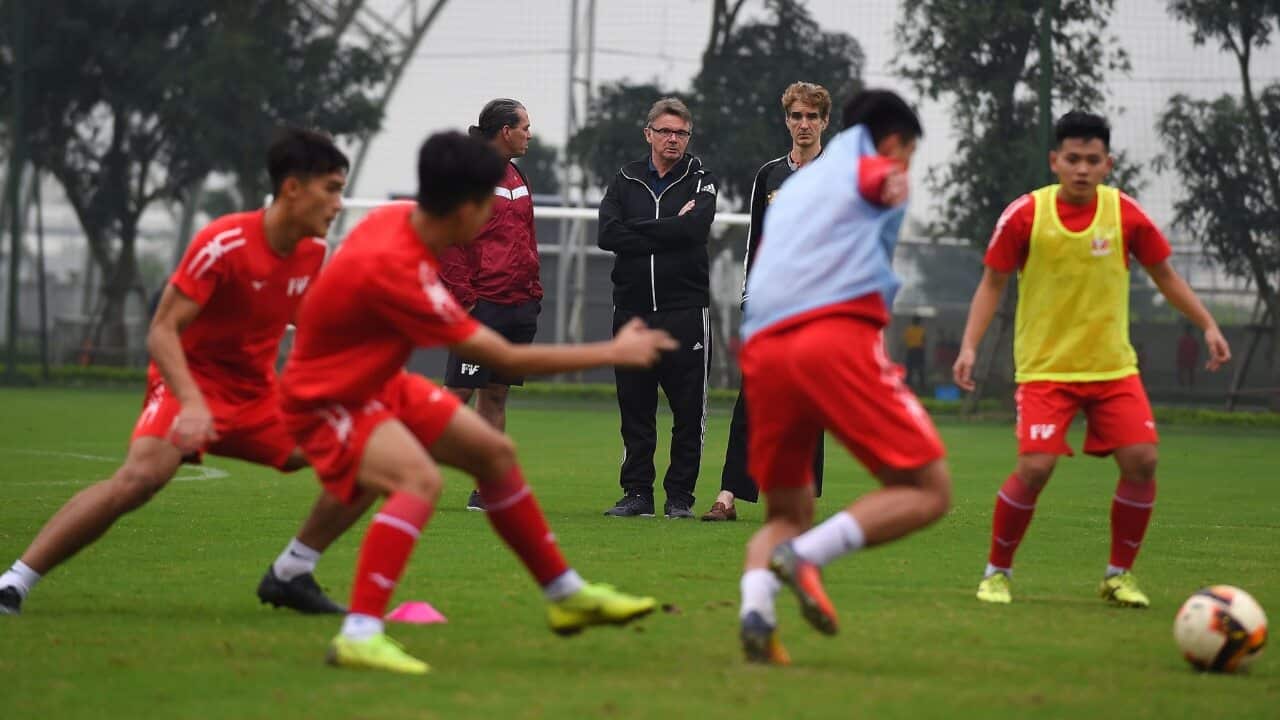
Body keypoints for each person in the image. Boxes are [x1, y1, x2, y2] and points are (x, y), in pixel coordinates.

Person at [279, 131, 675, 675]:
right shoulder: (396, 269)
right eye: (489, 203)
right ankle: (360, 633)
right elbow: (502, 358)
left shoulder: (400, 222)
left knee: (491, 453)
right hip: (328, 399)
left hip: (375, 385)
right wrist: (614, 350)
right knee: (417, 481)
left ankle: (564, 594)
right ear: (468, 208)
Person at [0, 129, 370, 617]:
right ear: (292, 189)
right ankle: (14, 583)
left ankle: (291, 573)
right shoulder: (225, 242)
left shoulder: (311, 252)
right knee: (141, 478)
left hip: (257, 398)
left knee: (370, 456)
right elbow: (162, 330)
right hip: (186, 385)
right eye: (332, 188)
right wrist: (193, 402)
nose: (338, 204)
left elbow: (312, 323)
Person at [953, 111, 1232, 608]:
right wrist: (969, 346)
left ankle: (1118, 576)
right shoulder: (1024, 215)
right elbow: (992, 282)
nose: (1082, 169)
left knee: (1143, 460)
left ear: (1108, 164)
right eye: (1073, 159)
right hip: (1046, 371)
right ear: (1055, 161)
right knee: (1035, 468)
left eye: (1092, 160)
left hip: (1112, 369)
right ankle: (996, 573)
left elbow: (1166, 275)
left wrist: (1208, 324)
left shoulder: (1125, 215)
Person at [735, 90, 951, 664]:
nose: (906, 165)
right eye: (907, 151)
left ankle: (756, 607)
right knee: (928, 489)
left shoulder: (797, 185)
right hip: (828, 339)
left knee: (784, 513)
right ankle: (807, 557)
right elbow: (877, 180)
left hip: (762, 351)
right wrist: (887, 181)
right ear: (893, 142)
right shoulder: (874, 167)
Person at [702, 81, 829, 522]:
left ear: (824, 122)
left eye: (812, 116)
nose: (804, 124)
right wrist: (749, 295)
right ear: (787, 121)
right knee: (751, 399)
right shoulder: (768, 174)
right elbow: (756, 239)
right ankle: (728, 495)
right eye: (797, 116)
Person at [597, 97, 719, 519]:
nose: (673, 139)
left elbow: (695, 228)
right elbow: (607, 235)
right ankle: (637, 494)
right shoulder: (625, 178)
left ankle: (680, 498)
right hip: (631, 312)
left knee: (688, 411)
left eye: (681, 133)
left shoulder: (701, 178)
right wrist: (669, 231)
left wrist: (641, 231)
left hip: (684, 312)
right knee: (635, 408)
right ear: (648, 133)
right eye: (665, 131)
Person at [438, 99, 542, 512]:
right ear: (505, 131)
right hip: (483, 305)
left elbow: (525, 236)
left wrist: (533, 290)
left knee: (495, 396)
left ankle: (487, 489)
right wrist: (467, 300)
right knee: (456, 394)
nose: (529, 134)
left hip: (519, 303)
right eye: (525, 127)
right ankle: (394, 465)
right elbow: (448, 243)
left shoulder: (517, 174)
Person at [903, 314, 927, 390]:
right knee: (920, 369)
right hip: (919, 350)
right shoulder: (921, 330)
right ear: (919, 322)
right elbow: (924, 341)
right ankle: (922, 385)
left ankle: (907, 384)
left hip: (911, 350)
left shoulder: (908, 330)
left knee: (910, 369)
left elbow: (906, 340)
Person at [1177, 324, 1200, 388]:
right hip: (1185, 359)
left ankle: (1189, 386)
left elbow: (1196, 351)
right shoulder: (1183, 340)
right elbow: (1180, 350)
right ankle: (1183, 385)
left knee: (1190, 373)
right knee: (1183, 373)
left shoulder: (1192, 341)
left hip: (1190, 359)